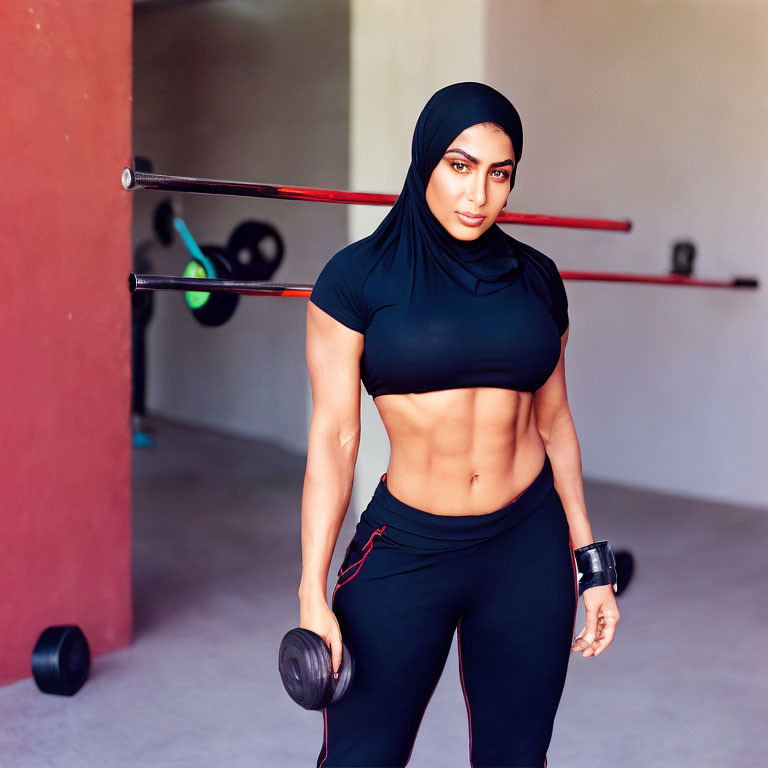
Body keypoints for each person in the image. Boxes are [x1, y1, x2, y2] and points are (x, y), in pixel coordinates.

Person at [299, 81, 620, 768]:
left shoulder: (537, 280)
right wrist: (309, 589)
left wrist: (591, 564)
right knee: (362, 754)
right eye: (460, 165)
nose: (479, 195)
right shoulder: (355, 280)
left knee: (516, 755)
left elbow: (556, 424)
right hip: (410, 544)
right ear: (425, 164)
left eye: (499, 173)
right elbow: (334, 441)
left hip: (527, 544)